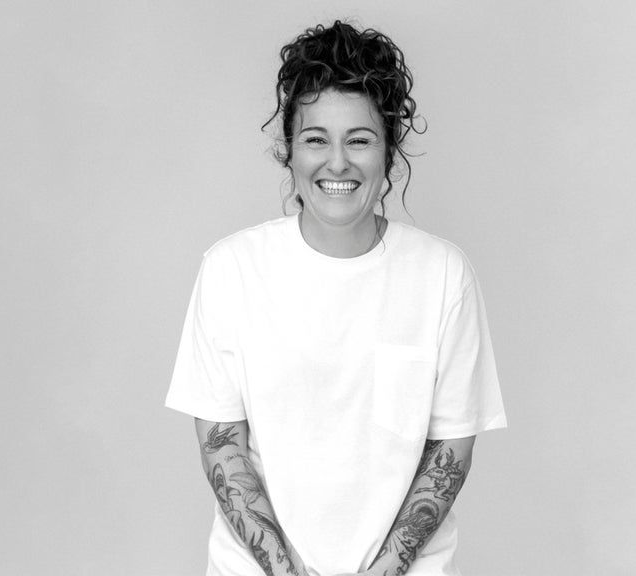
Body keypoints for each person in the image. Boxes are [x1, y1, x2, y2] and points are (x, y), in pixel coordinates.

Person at [166, 20, 507, 576]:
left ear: (389, 151)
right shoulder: (231, 269)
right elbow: (222, 446)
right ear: (290, 150)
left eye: (360, 139)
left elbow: (450, 448)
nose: (338, 162)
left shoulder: (444, 275)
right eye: (316, 139)